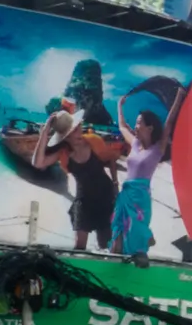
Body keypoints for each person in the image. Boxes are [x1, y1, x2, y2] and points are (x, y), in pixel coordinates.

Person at [31, 104, 126, 251]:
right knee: (79, 247)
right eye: (74, 129)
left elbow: (111, 158)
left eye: (77, 126)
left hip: (105, 197)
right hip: (84, 200)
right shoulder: (63, 153)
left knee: (105, 245)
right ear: (66, 136)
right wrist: (44, 133)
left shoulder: (93, 141)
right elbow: (38, 163)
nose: (79, 129)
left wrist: (115, 184)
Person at [110, 86, 183, 256]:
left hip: (140, 199)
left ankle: (145, 240)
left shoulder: (157, 149)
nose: (135, 126)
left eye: (138, 123)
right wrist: (119, 106)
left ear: (149, 128)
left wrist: (179, 97)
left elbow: (169, 123)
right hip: (126, 195)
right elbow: (122, 126)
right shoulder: (135, 144)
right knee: (118, 237)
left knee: (134, 236)